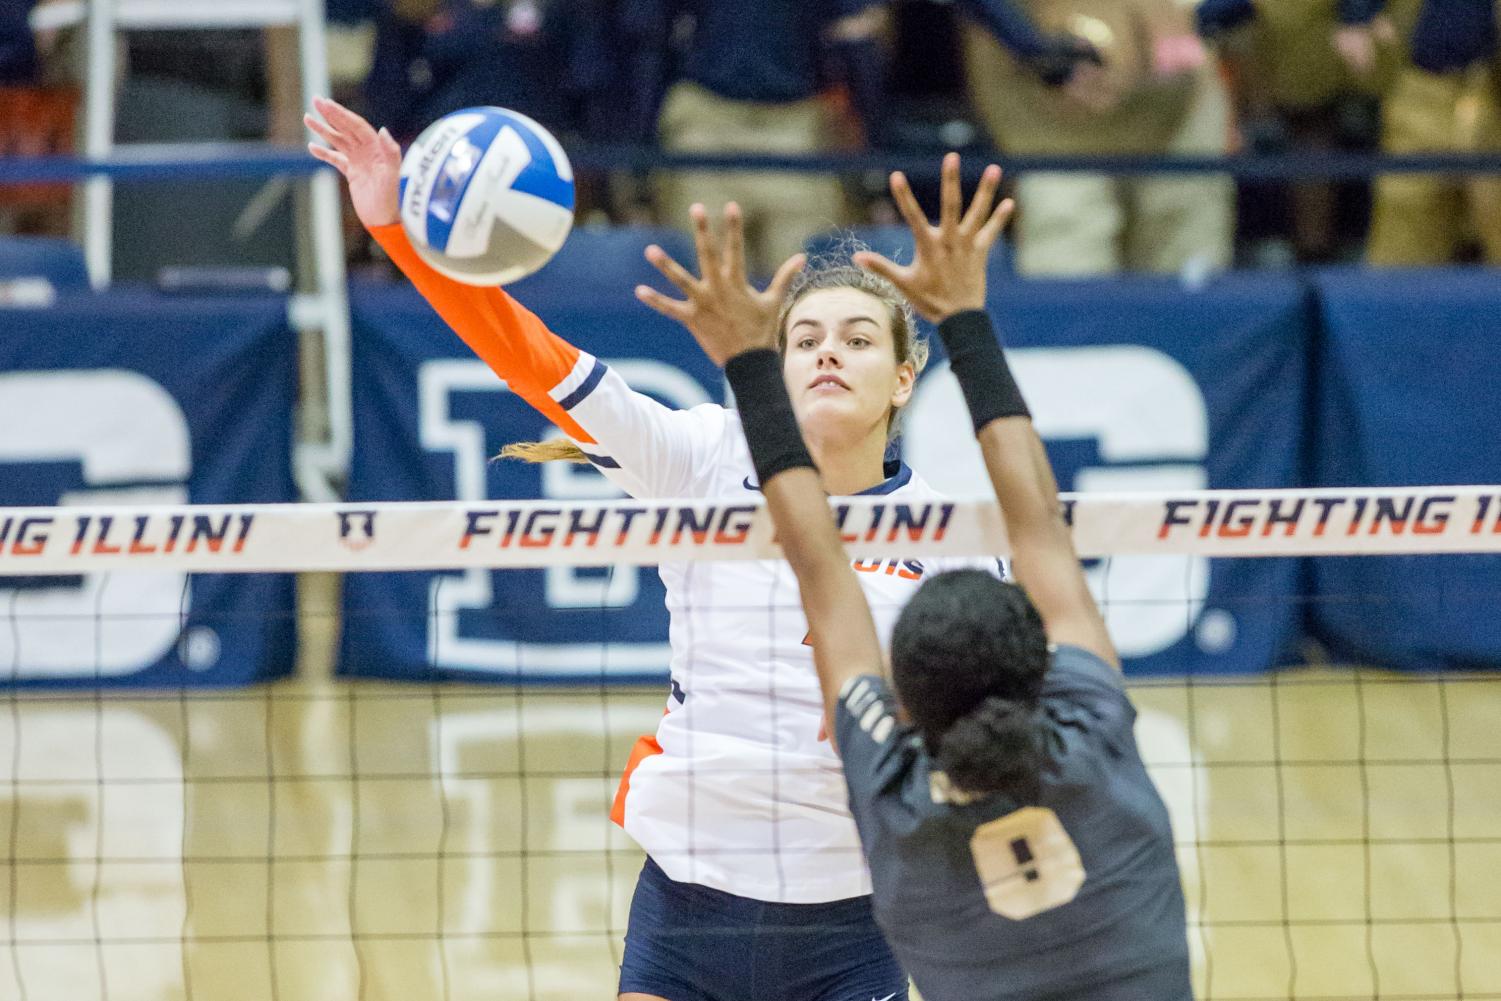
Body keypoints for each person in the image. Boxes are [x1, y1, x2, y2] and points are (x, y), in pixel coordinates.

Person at [305, 96, 998, 1001]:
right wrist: (398, 229)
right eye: (804, 339)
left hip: (856, 916)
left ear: (904, 377)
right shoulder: (700, 454)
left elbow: (986, 732)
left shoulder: (952, 531)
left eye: (858, 339)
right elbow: (534, 360)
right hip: (688, 904)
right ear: (774, 364)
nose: (828, 354)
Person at [638, 152, 1192, 999]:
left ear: (908, 697)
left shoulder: (894, 804)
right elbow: (1036, 530)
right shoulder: (1094, 734)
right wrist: (965, 315)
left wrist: (755, 368)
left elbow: (821, 564)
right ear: (1038, 667)